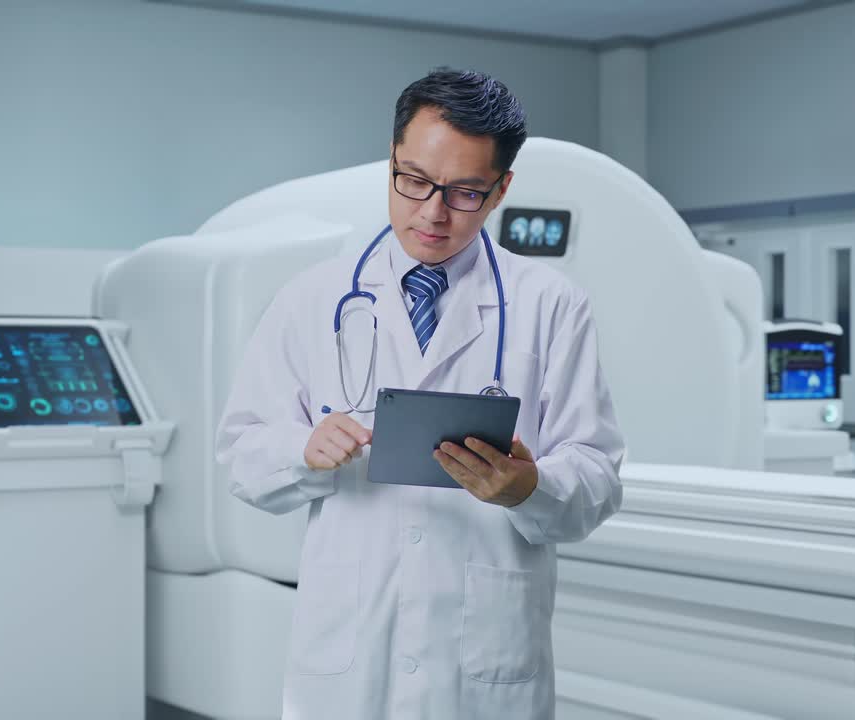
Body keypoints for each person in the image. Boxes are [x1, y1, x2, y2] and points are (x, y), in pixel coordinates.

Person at [215, 67, 624, 720]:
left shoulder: (551, 307)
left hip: (483, 667)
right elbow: (239, 452)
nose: (432, 212)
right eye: (413, 181)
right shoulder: (312, 298)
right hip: (349, 662)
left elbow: (599, 473)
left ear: (500, 190)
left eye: (464, 193)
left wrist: (530, 487)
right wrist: (302, 449)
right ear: (392, 163)